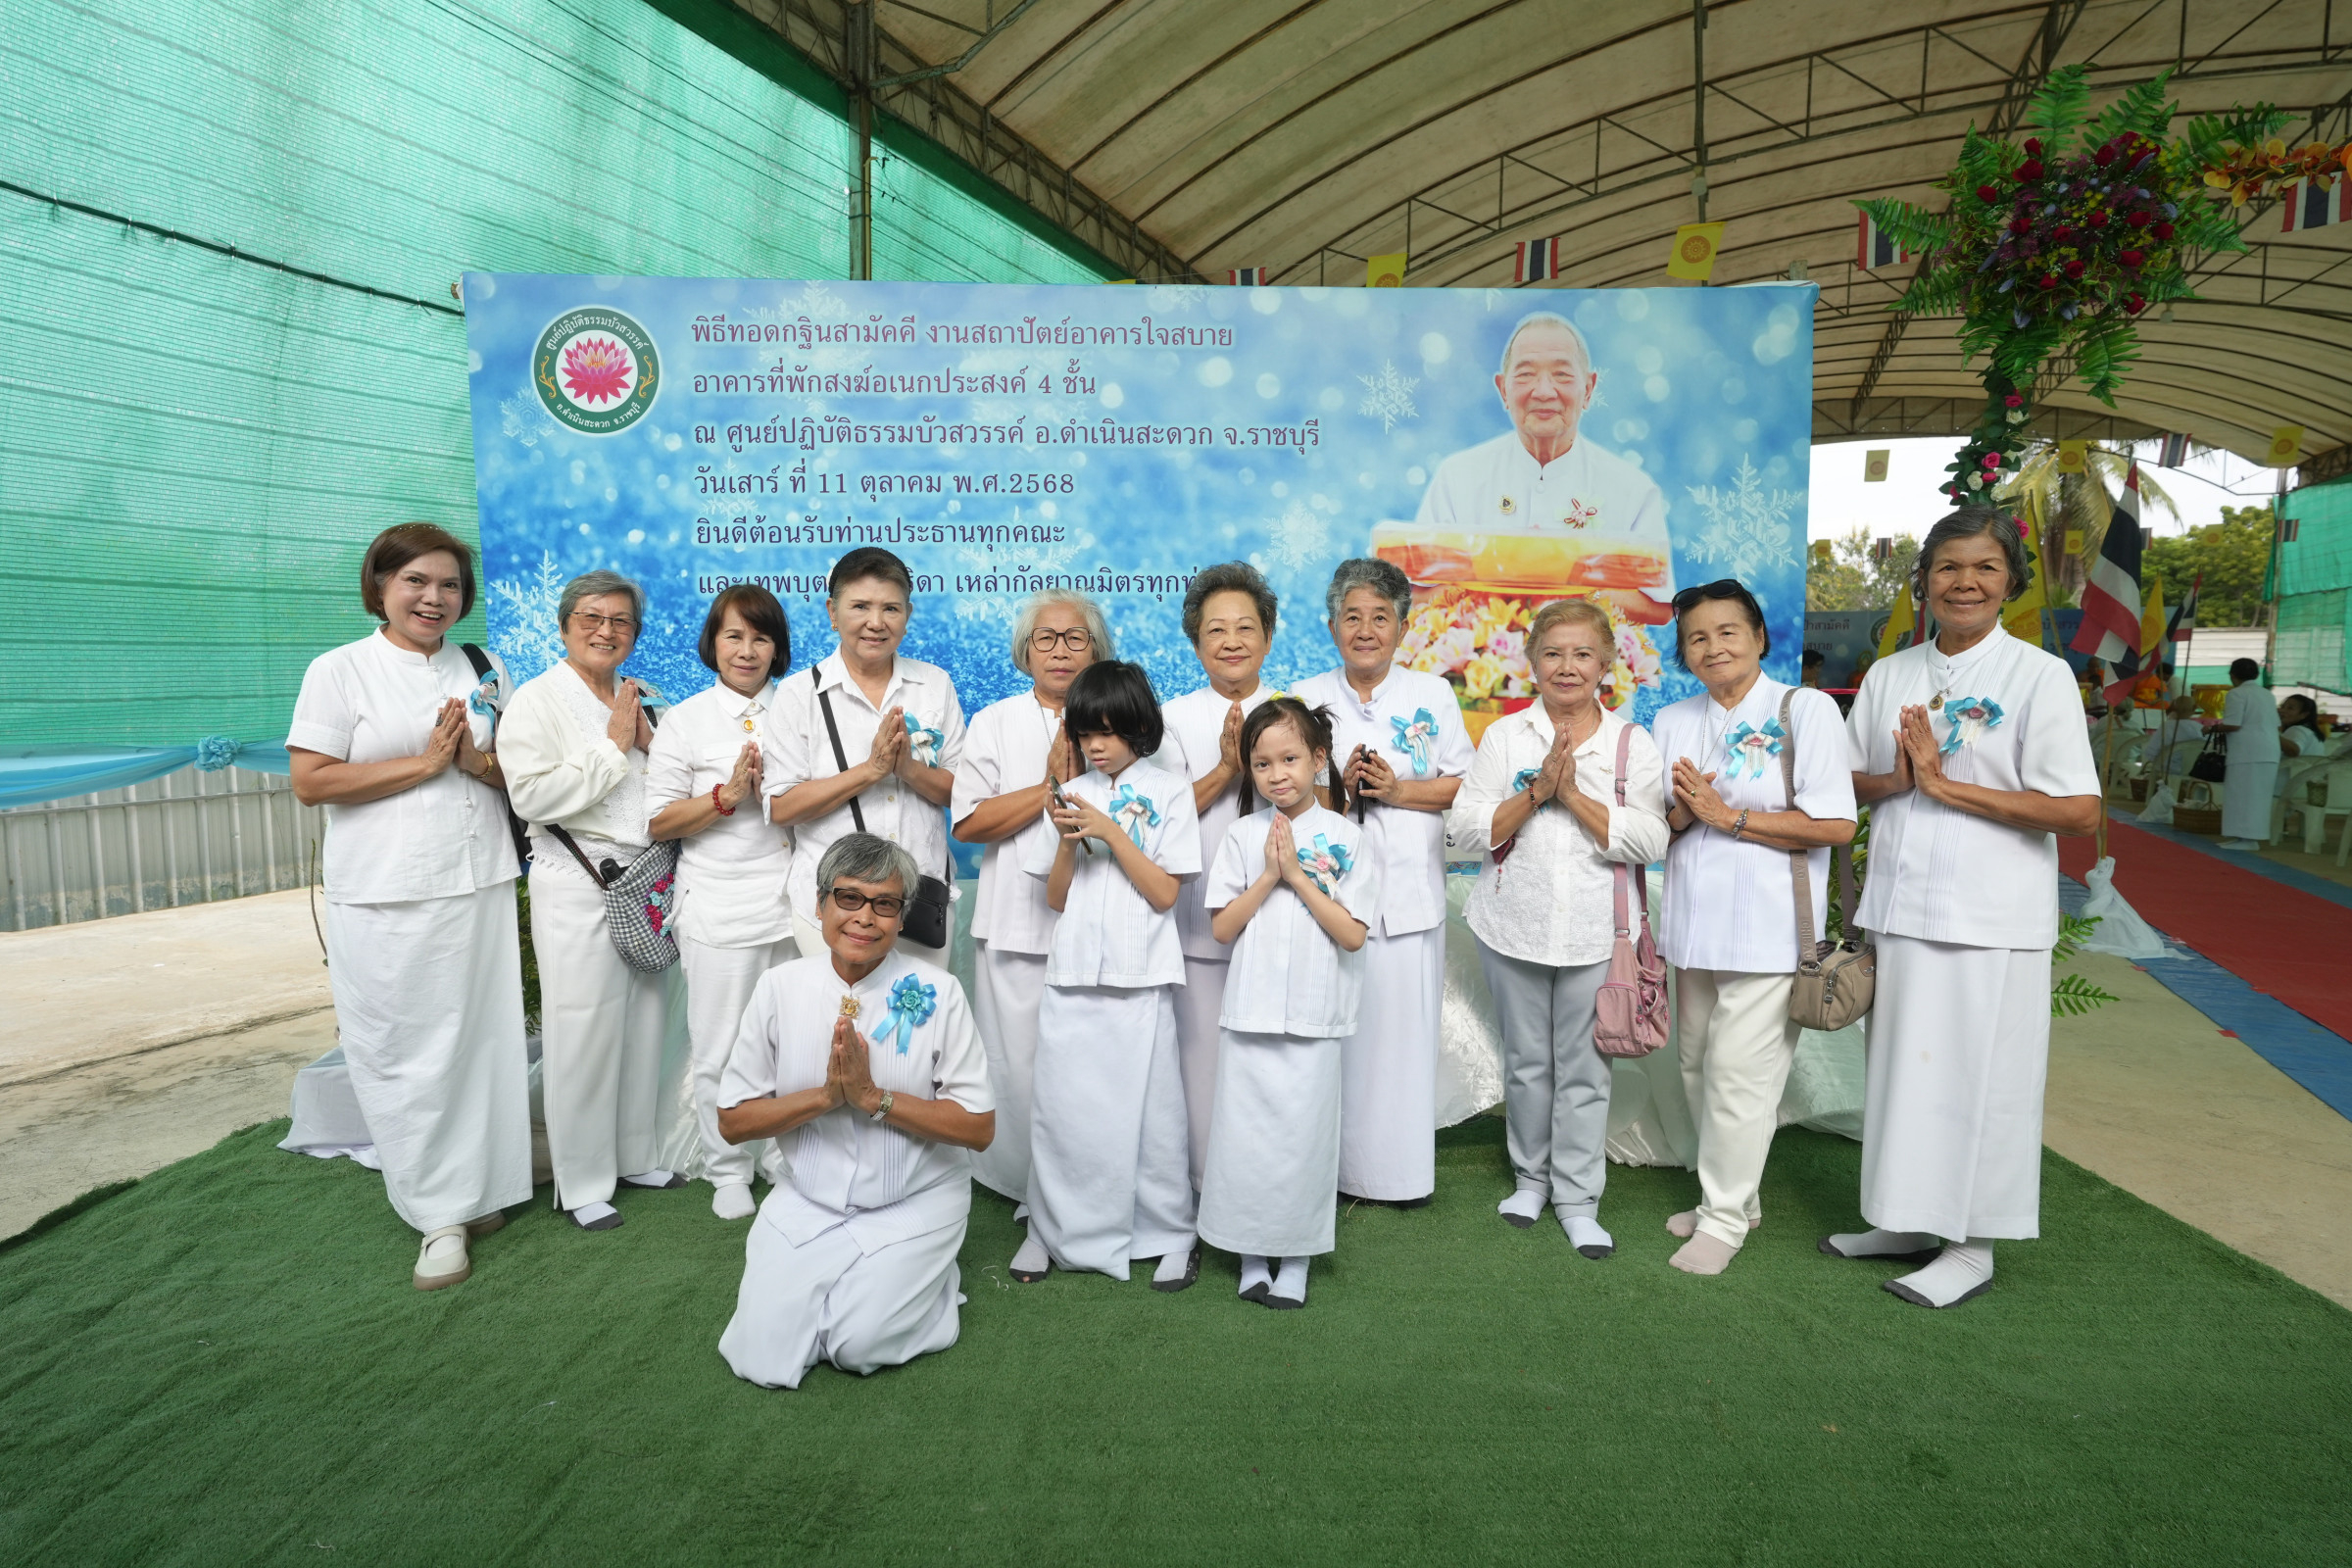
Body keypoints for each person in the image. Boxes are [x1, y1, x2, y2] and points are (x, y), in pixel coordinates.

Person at [1829, 506, 2101, 1308]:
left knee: (1984, 1083)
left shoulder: (2038, 677)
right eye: (1949, 567)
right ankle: (1906, 1219)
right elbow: (1845, 782)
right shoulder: (1891, 675)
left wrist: (1947, 787)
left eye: (1985, 567)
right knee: (1904, 1078)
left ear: (2011, 582)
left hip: (1991, 918)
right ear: (1924, 581)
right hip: (1902, 908)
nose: (1966, 582)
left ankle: (1972, 1247)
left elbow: (2079, 810)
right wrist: (1900, 780)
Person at [286, 523, 531, 1290]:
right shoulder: (340, 670)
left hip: (480, 879)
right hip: (386, 891)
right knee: (404, 1051)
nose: (434, 598)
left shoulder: (485, 667)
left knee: (482, 1043)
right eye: (416, 582)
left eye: (449, 584)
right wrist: (423, 765)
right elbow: (312, 781)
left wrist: (475, 762)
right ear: (380, 586)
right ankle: (436, 1216)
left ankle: (479, 1190)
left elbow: (519, 775)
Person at [713, 834, 995, 1389]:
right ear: (820, 906)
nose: (865, 917)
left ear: (901, 917)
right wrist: (826, 1097)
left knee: (857, 1346)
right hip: (808, 1198)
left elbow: (979, 1129)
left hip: (913, 1198)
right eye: (849, 898)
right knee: (760, 1354)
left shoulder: (939, 991)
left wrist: (874, 1099)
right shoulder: (778, 988)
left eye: (884, 903)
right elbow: (734, 1122)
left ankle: (933, 1289)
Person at [1444, 598, 1669, 1258]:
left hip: (1598, 933)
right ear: (1533, 662)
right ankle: (1530, 1180)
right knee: (1527, 1063)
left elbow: (1651, 839)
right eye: (1552, 653)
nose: (1567, 666)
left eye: (1582, 654)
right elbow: (1463, 831)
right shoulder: (1505, 737)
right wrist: (1537, 791)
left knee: (1585, 1071)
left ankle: (1577, 1199)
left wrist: (1572, 795)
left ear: (1606, 664)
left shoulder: (1631, 743)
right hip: (1512, 924)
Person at [1651, 580, 1857, 1276]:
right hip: (1692, 928)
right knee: (1696, 1067)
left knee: (1739, 1077)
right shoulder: (1672, 720)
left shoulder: (1805, 710)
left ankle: (1723, 1221)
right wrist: (1684, 813)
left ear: (1760, 638)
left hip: (1769, 931)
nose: (1713, 647)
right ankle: (1738, 1197)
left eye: (1728, 632)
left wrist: (1727, 816)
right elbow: (1660, 827)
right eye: (1697, 637)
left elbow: (1836, 823)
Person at [1011, 661, 1203, 1289]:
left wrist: (1113, 833)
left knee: (1154, 1114)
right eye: (1086, 732)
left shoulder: (1171, 792)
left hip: (1141, 977)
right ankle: (1048, 1229)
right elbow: (1056, 898)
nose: (1096, 745)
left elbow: (1165, 894)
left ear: (1138, 728)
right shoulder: (1069, 793)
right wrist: (1069, 839)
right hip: (1072, 974)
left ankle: (1170, 1233)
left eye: (1108, 731)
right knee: (1062, 1110)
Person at [502, 569, 682, 1230]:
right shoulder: (536, 701)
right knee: (582, 1030)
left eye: (621, 621)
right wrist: (613, 749)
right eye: (592, 618)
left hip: (647, 879)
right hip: (578, 878)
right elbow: (531, 796)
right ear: (564, 626)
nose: (607, 631)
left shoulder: (646, 696)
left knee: (645, 1023)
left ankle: (635, 1155)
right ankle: (581, 1182)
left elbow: (673, 781)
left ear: (635, 631)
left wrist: (656, 748)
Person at [1292, 559, 1469, 1206]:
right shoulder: (1303, 697)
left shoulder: (1433, 694)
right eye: (1352, 617)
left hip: (1409, 899)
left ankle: (1400, 1178)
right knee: (1336, 1037)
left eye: (1380, 617)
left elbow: (1464, 786)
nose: (1365, 630)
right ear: (1332, 626)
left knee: (1401, 1042)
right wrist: (1338, 793)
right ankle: (1331, 1173)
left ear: (1402, 627)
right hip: (1329, 898)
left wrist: (1397, 791)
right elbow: (1282, 788)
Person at [1199, 699, 1377, 1309]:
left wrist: (1298, 876)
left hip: (1315, 1014)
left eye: (1290, 759)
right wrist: (1269, 877)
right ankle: (1250, 1255)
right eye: (1262, 763)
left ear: (1319, 758)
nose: (1277, 774)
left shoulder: (1348, 838)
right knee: (1245, 1137)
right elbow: (1222, 928)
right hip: (1249, 1010)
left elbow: (1353, 935)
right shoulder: (1242, 835)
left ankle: (1296, 1259)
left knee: (1305, 1138)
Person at [951, 590, 1111, 1204]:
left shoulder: (1121, 716)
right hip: (1015, 923)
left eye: (1075, 638)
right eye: (1046, 638)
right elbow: (969, 823)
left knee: (1091, 1064)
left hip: (1101, 921)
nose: (1060, 650)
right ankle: (1023, 1186)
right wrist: (1050, 784)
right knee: (1016, 1064)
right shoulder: (995, 721)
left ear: (1096, 649)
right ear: (1025, 650)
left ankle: (1089, 1182)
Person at [644, 585, 796, 1221]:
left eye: (761, 638)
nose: (747, 650)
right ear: (713, 642)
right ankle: (728, 1167)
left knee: (793, 1043)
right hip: (719, 906)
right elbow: (658, 821)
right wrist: (725, 797)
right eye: (734, 636)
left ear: (777, 649)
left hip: (797, 903)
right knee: (722, 1046)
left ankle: (784, 1160)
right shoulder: (686, 720)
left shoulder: (801, 709)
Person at [763, 548, 964, 960]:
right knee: (835, 1003)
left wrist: (908, 769)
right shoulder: (799, 694)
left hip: (919, 901)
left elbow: (962, 793)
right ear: (833, 613)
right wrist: (872, 770)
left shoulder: (934, 684)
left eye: (891, 608)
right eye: (860, 606)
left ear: (907, 614)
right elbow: (782, 807)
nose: (876, 622)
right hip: (831, 904)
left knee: (919, 1002)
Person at [1412, 312, 1676, 625]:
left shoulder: (1633, 489)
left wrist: (1570, 585)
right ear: (1503, 390)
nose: (1544, 391)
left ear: (1589, 389)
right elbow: (1415, 594)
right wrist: (1497, 588)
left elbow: (1660, 607)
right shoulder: (1457, 477)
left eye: (1562, 375)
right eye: (1526, 374)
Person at [1157, 564, 1281, 1186]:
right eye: (1216, 630)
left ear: (1268, 636)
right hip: (1196, 918)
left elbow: (1321, 808)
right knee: (1201, 1061)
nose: (1231, 641)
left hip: (1278, 912)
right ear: (1195, 641)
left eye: (1245, 627)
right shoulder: (1171, 719)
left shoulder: (1292, 712)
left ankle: (1267, 1186)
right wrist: (1227, 770)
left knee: (1270, 1062)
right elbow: (1158, 817)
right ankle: (1205, 1185)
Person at [2214, 658, 2280, 851]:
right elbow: (2276, 724)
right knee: (2258, 796)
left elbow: (2233, 724)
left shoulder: (2236, 693)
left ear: (2232, 675)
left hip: (2247, 751)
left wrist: (2212, 729)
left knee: (2241, 794)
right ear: (2256, 675)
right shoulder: (2267, 694)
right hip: (2269, 750)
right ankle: (2247, 837)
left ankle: (2247, 839)